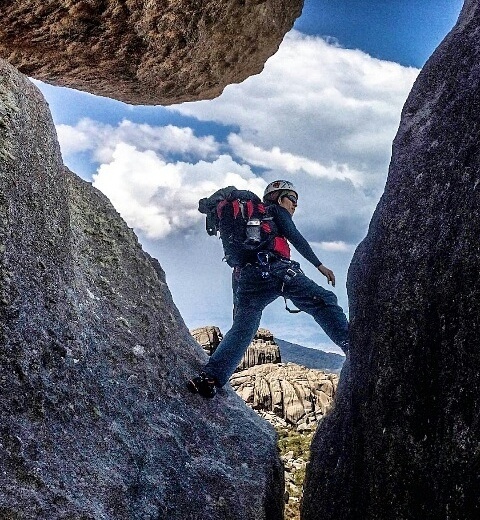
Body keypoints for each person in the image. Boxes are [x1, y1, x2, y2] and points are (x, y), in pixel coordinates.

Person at [188, 180, 349, 398]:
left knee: (243, 329)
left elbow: (238, 267)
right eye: (292, 199)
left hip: (247, 279)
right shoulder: (275, 211)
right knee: (324, 300)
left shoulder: (254, 223)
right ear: (278, 198)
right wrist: (319, 265)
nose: (295, 206)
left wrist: (239, 301)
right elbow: (295, 236)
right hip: (276, 270)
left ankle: (209, 378)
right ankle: (351, 346)